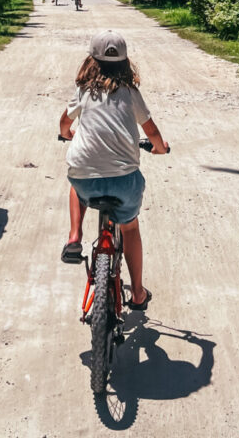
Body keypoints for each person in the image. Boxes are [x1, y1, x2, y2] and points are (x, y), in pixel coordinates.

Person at [58, 30, 168, 310]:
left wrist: (68, 134)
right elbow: (151, 130)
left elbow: (64, 122)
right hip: (124, 180)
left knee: (76, 183)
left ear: (90, 61)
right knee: (129, 228)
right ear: (125, 62)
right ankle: (139, 292)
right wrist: (159, 147)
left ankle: (74, 236)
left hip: (85, 176)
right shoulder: (131, 93)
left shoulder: (83, 91)